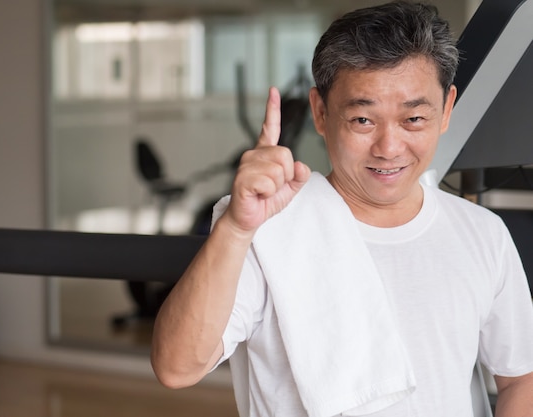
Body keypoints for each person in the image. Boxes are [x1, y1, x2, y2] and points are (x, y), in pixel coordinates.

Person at [151, 1, 533, 416]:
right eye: (363, 121)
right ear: (321, 112)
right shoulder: (269, 231)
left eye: (414, 119)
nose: (389, 148)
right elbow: (176, 368)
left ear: (445, 110)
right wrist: (235, 231)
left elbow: (521, 377)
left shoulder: (483, 234)